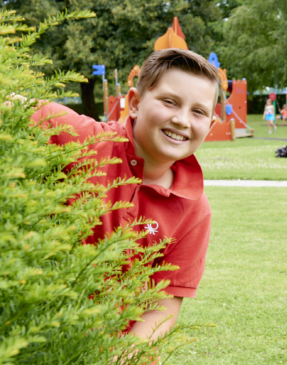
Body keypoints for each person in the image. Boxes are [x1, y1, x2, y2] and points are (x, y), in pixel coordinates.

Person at [30, 48, 219, 341]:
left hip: (107, 349)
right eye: (170, 102)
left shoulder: (194, 209)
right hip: (28, 331)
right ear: (134, 103)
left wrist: (122, 361)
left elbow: (163, 306)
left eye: (198, 112)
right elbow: (5, 106)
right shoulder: (83, 140)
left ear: (210, 126)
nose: (182, 120)